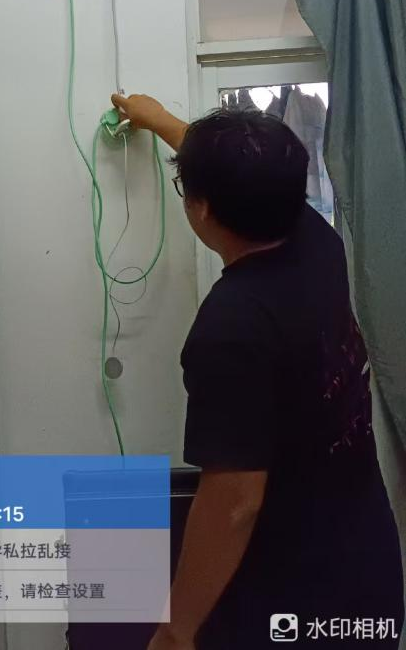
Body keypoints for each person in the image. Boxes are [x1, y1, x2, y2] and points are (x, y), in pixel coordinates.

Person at [110, 94, 405, 650]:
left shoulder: (232, 326)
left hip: (293, 596)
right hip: (368, 565)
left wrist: (177, 630)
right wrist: (161, 121)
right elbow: (248, 174)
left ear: (201, 208)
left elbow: (235, 502)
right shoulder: (319, 241)